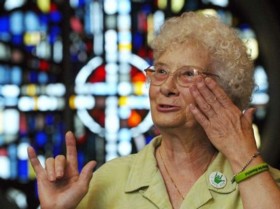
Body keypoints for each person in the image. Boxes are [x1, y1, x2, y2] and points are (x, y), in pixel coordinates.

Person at [27, 11, 280, 209]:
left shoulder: (264, 183)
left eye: (187, 75)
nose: (166, 87)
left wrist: (242, 156)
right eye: (160, 71)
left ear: (224, 91)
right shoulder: (106, 182)